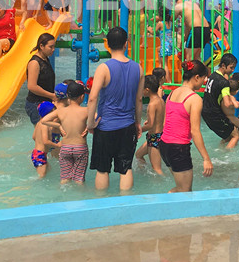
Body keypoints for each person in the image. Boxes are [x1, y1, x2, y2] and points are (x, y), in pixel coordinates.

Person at [87, 26, 144, 191]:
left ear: (107, 44)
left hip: (106, 126)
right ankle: (126, 202)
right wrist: (137, 123)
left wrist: (90, 123)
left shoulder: (104, 68)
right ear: (126, 44)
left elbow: (92, 98)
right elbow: (139, 99)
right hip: (128, 126)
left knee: (102, 169)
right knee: (126, 168)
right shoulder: (138, 68)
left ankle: (101, 202)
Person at [160, 60, 213, 192]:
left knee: (181, 189)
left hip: (164, 145)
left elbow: (164, 122)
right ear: (196, 77)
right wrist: (206, 158)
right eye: (204, 78)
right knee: (185, 191)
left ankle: (167, 198)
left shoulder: (172, 93)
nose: (204, 82)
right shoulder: (195, 99)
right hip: (178, 148)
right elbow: (195, 131)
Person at [39, 81, 89, 184]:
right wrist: (88, 127)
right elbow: (99, 119)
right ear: (82, 97)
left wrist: (58, 126)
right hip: (80, 147)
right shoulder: (86, 110)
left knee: (64, 179)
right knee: (78, 179)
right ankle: (80, 193)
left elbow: (44, 121)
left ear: (68, 97)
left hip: (65, 148)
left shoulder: (60, 111)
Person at [201, 53, 239, 149]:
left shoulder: (212, 75)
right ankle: (227, 157)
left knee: (228, 136)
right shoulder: (224, 83)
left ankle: (221, 150)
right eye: (231, 67)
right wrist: (235, 103)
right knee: (236, 135)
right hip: (215, 115)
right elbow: (227, 104)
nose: (232, 70)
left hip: (205, 112)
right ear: (223, 65)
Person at [25, 32, 57, 125]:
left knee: (48, 131)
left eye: (54, 46)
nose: (53, 49)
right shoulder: (35, 63)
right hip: (35, 103)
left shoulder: (45, 59)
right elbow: (32, 86)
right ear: (41, 46)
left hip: (45, 101)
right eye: (50, 47)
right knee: (42, 131)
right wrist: (51, 95)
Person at [135, 75, 165, 174]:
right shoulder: (160, 100)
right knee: (138, 155)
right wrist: (149, 121)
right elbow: (160, 118)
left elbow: (151, 125)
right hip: (158, 136)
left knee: (157, 168)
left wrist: (138, 129)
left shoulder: (152, 104)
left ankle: (162, 183)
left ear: (147, 90)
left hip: (155, 138)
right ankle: (145, 174)